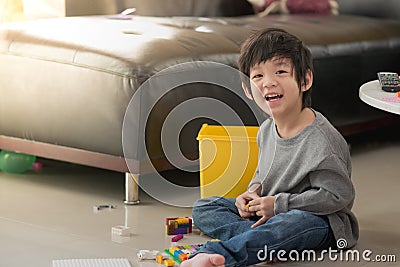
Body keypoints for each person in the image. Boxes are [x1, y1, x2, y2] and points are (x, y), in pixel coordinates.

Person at [181, 28, 359, 267]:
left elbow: (338, 196)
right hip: (270, 213)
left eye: (281, 71)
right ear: (247, 89)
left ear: (305, 80)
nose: (269, 82)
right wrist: (253, 192)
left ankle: (224, 253)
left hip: (319, 221)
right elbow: (264, 173)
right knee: (205, 207)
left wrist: (278, 205)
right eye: (257, 76)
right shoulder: (266, 130)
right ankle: (268, 243)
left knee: (293, 224)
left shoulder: (322, 140)